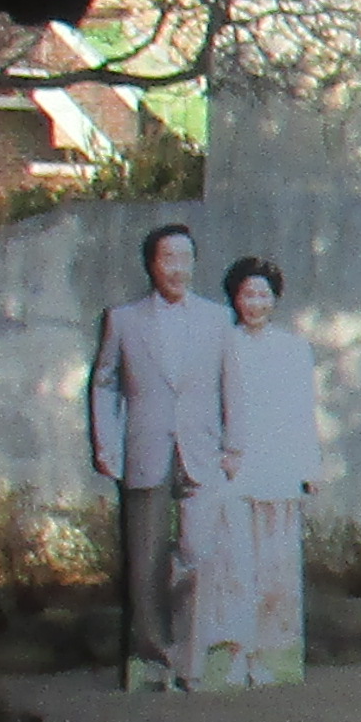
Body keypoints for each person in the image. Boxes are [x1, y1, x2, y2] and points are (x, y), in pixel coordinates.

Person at [82, 218, 228, 689]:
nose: (178, 268)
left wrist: (234, 446)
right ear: (151, 264)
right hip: (144, 447)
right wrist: (106, 443)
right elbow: (104, 383)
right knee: (145, 558)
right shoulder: (123, 319)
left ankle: (192, 654)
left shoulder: (217, 319)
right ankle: (151, 656)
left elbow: (233, 386)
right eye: (169, 259)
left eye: (186, 258)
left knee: (197, 552)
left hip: (201, 448)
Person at [189, 257, 319, 688]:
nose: (256, 303)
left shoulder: (294, 348)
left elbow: (303, 411)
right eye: (248, 295)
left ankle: (266, 655)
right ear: (235, 298)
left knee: (275, 569)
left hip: (279, 467)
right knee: (236, 567)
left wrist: (309, 467)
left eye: (264, 295)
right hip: (236, 470)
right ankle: (235, 655)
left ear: (275, 299)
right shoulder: (222, 344)